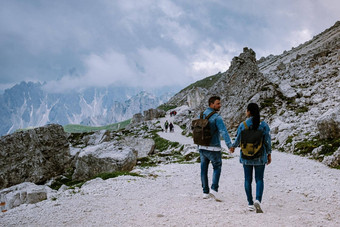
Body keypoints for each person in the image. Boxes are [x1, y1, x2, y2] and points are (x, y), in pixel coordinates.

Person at [230, 103, 272, 213]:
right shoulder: (263, 125)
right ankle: (258, 200)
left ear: (249, 111)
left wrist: (233, 147)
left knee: (247, 179)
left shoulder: (243, 124)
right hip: (260, 155)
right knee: (259, 179)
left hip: (246, 156)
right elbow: (267, 141)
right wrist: (269, 154)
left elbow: (238, 139)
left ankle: (250, 203)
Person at [198, 96, 233, 202]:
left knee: (203, 170)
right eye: (217, 103)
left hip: (202, 147)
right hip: (214, 148)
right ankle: (214, 190)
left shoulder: (201, 115)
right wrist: (229, 145)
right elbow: (223, 132)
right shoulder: (217, 117)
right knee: (217, 167)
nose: (220, 105)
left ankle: (205, 192)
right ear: (211, 104)